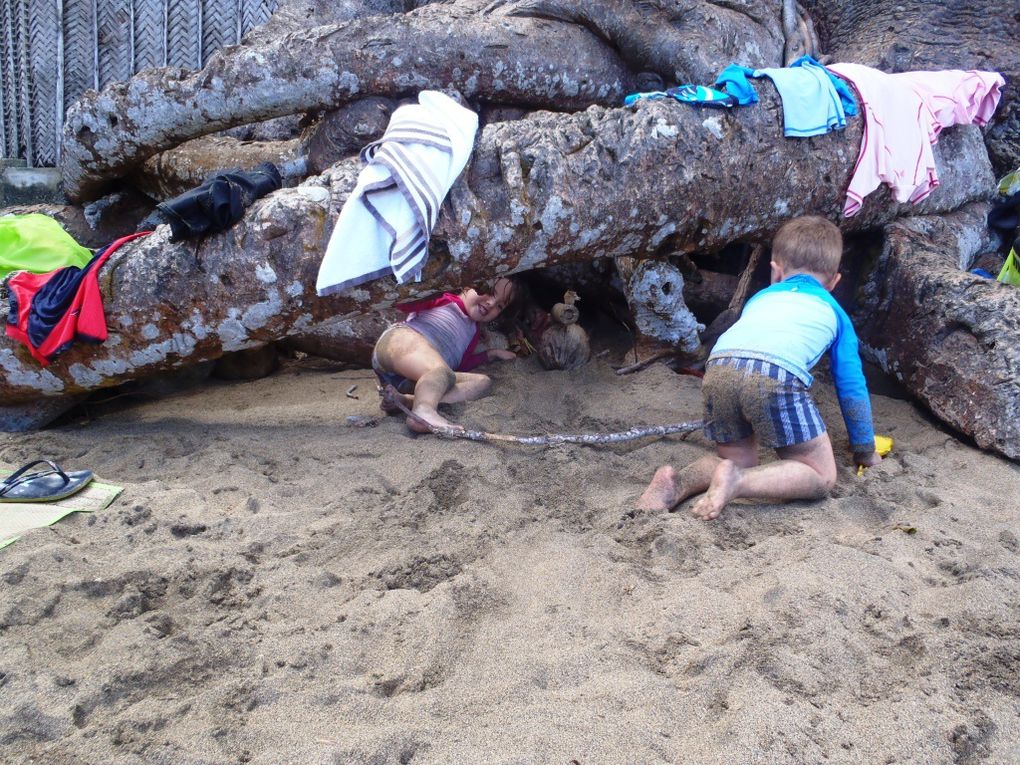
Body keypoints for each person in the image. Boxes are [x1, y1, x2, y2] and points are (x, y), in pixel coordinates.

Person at [638, 216, 882, 521]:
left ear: (775, 271)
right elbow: (851, 385)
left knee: (734, 459)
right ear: (834, 283)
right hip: (775, 376)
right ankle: (739, 482)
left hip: (719, 367)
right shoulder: (835, 312)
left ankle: (674, 485)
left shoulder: (760, 299)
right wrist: (865, 450)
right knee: (820, 475)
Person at [372, 276, 518, 432]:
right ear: (467, 285)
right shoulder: (445, 298)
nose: (491, 303)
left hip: (415, 381)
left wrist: (491, 354)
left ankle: (408, 401)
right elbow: (405, 304)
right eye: (489, 292)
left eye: (500, 306)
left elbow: (461, 364)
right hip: (398, 343)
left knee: (483, 383)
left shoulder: (473, 333)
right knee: (441, 371)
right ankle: (423, 412)